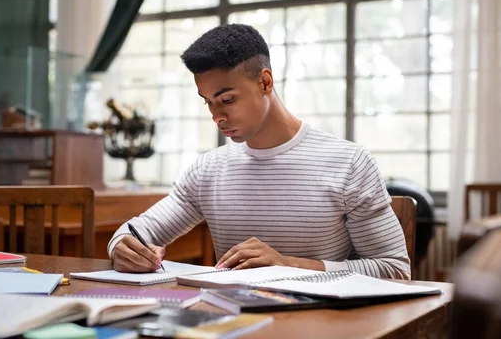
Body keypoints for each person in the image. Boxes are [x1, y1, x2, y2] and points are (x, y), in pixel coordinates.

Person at [108, 24, 410, 279]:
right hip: (231, 323)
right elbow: (136, 232)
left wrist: (289, 264)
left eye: (227, 100)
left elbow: (395, 269)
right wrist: (122, 246)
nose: (217, 117)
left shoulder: (349, 164)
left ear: (265, 82)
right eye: (207, 102)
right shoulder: (208, 170)